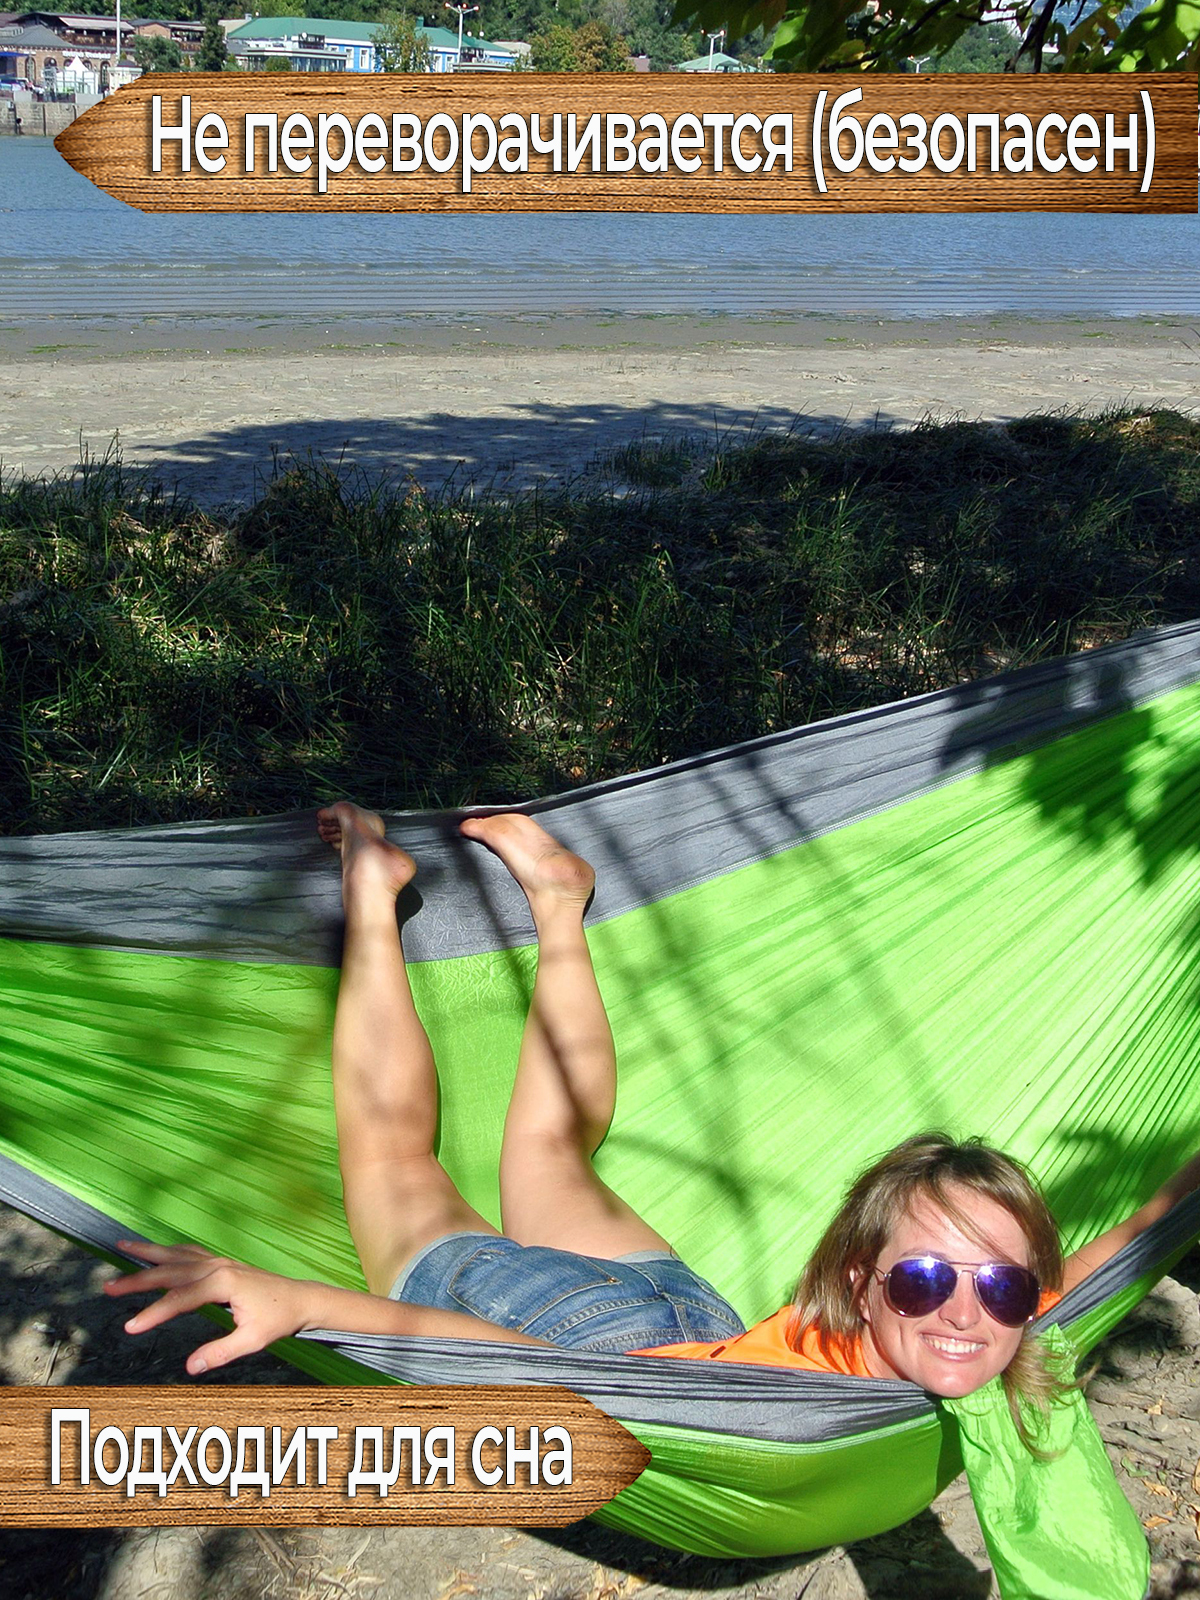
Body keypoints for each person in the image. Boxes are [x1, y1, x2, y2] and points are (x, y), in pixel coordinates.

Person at [106, 804, 1200, 1407]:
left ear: (1024, 1296)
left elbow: (1094, 1265)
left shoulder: (991, 1322)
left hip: (694, 1316)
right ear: (864, 1284)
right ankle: (371, 893)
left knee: (547, 1149)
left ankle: (555, 904)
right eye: (924, 1279)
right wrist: (307, 1302)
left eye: (1001, 1286)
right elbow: (498, 1351)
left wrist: (1175, 1197)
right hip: (639, 1353)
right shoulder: (860, 1384)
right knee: (394, 1165)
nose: (966, 1313)